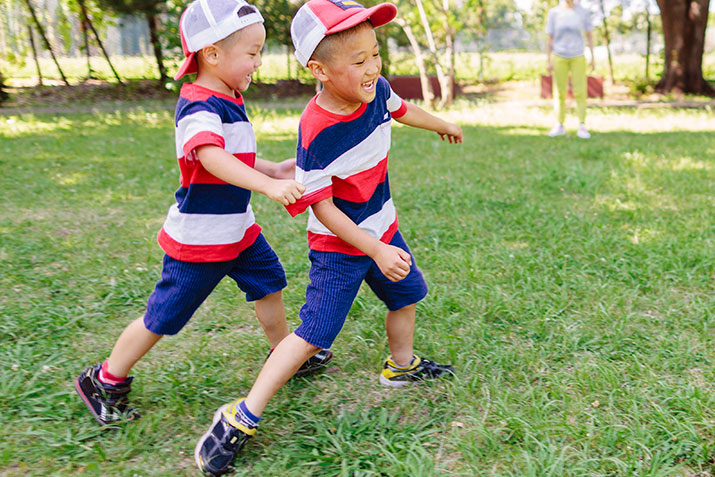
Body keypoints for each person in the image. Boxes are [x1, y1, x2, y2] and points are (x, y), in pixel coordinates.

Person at [194, 0, 463, 474]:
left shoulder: (377, 90)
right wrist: (374, 249)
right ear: (318, 68)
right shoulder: (316, 130)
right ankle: (240, 415)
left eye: (375, 54)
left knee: (406, 294)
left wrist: (440, 122)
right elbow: (323, 208)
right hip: (341, 245)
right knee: (314, 334)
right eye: (359, 61)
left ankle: (402, 365)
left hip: (383, 224)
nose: (373, 68)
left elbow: (402, 110)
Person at [74, 0, 333, 427]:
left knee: (269, 281)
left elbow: (234, 156)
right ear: (212, 54)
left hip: (238, 230)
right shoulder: (198, 104)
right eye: (251, 53)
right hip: (201, 240)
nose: (258, 63)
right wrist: (268, 186)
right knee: (164, 317)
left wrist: (272, 168)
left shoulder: (227, 96)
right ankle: (105, 379)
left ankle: (284, 353)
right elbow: (212, 157)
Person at [545, 0, 595, 139]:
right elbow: (550, 38)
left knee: (580, 91)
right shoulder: (554, 12)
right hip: (559, 56)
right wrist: (548, 59)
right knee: (559, 92)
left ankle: (582, 125)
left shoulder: (583, 12)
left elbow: (589, 35)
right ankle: (559, 125)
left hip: (578, 56)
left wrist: (592, 56)